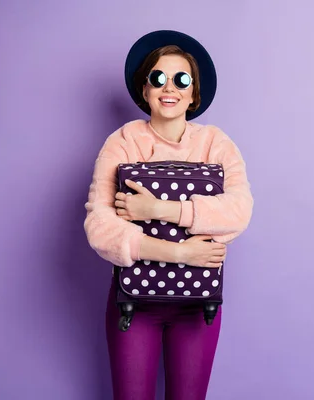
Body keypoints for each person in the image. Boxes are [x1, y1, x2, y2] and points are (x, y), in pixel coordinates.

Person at [83, 30, 254, 400]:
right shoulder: (123, 142)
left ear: (194, 94)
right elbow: (99, 226)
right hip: (134, 303)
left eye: (181, 79)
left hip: (197, 307)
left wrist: (158, 210)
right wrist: (180, 253)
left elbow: (239, 211)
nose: (169, 88)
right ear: (144, 90)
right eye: (158, 78)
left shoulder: (215, 143)